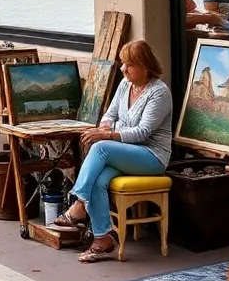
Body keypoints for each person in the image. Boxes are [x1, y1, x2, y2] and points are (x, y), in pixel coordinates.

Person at [53, 40, 173, 263]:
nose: (123, 69)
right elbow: (110, 115)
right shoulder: (125, 84)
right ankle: (103, 239)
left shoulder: (159, 93)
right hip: (124, 152)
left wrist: (107, 134)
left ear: (145, 67)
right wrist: (106, 126)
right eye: (122, 63)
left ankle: (78, 204)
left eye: (129, 64)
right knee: (99, 181)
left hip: (151, 157)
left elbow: (143, 132)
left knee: (100, 147)